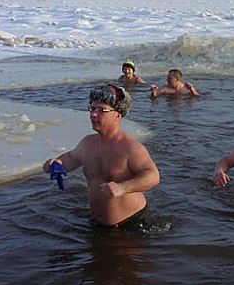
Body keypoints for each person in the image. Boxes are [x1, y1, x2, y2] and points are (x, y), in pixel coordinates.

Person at [43, 83, 160, 228]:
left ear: (118, 115)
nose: (93, 114)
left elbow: (153, 176)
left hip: (131, 224)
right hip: (96, 223)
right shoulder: (88, 143)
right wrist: (56, 163)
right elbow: (72, 158)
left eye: (101, 110)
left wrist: (123, 187)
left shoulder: (130, 147)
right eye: (92, 108)